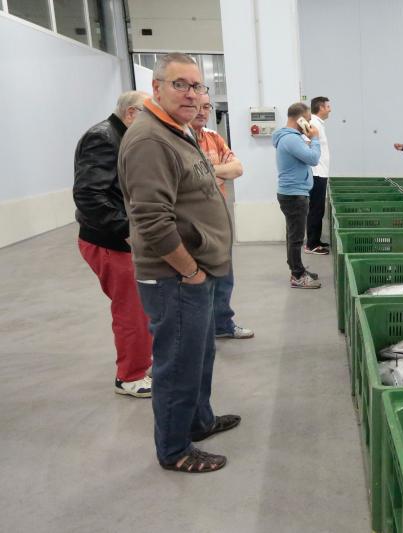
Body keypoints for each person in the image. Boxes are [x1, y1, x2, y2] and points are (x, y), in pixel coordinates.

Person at [119, 53, 240, 473]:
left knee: (199, 354)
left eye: (198, 86)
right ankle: (175, 449)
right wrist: (190, 270)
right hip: (175, 276)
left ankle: (199, 421)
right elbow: (151, 219)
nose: (192, 94)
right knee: (177, 361)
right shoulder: (150, 139)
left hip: (195, 274)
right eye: (180, 85)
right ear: (156, 88)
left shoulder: (178, 130)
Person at [74, 90, 153, 398]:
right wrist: (127, 231)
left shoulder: (123, 137)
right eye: (150, 117)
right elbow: (90, 195)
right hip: (110, 241)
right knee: (131, 310)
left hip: (122, 239)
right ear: (131, 114)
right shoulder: (103, 138)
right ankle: (130, 376)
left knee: (142, 308)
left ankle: (140, 364)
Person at [190, 94, 254, 339]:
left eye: (206, 106)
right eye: (196, 106)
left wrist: (206, 170)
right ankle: (198, 331)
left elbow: (237, 168)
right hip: (189, 217)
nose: (201, 111)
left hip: (217, 213)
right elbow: (185, 179)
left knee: (223, 273)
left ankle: (222, 324)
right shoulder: (176, 140)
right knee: (194, 278)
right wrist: (215, 173)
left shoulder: (213, 137)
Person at [273, 102, 322, 288]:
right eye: (308, 120)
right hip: (294, 195)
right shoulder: (291, 139)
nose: (309, 125)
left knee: (293, 235)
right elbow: (313, 158)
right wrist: (315, 138)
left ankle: (297, 268)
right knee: (296, 237)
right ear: (300, 119)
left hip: (293, 193)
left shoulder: (289, 138)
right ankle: (297, 276)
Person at [305, 96, 332, 255]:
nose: (330, 109)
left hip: (321, 172)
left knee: (318, 208)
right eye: (328, 106)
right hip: (316, 173)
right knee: (315, 209)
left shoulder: (318, 124)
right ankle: (311, 244)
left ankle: (315, 240)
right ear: (321, 107)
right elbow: (306, 144)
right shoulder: (314, 123)